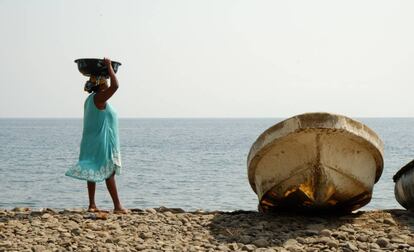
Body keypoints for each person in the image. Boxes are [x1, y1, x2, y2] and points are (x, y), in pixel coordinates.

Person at [66, 58, 127, 214]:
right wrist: (108, 66)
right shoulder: (99, 98)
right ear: (101, 84)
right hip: (101, 142)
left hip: (91, 141)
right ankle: (117, 206)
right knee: (109, 172)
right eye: (105, 80)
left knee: (92, 168)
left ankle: (92, 204)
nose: (107, 82)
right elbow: (116, 86)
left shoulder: (91, 100)